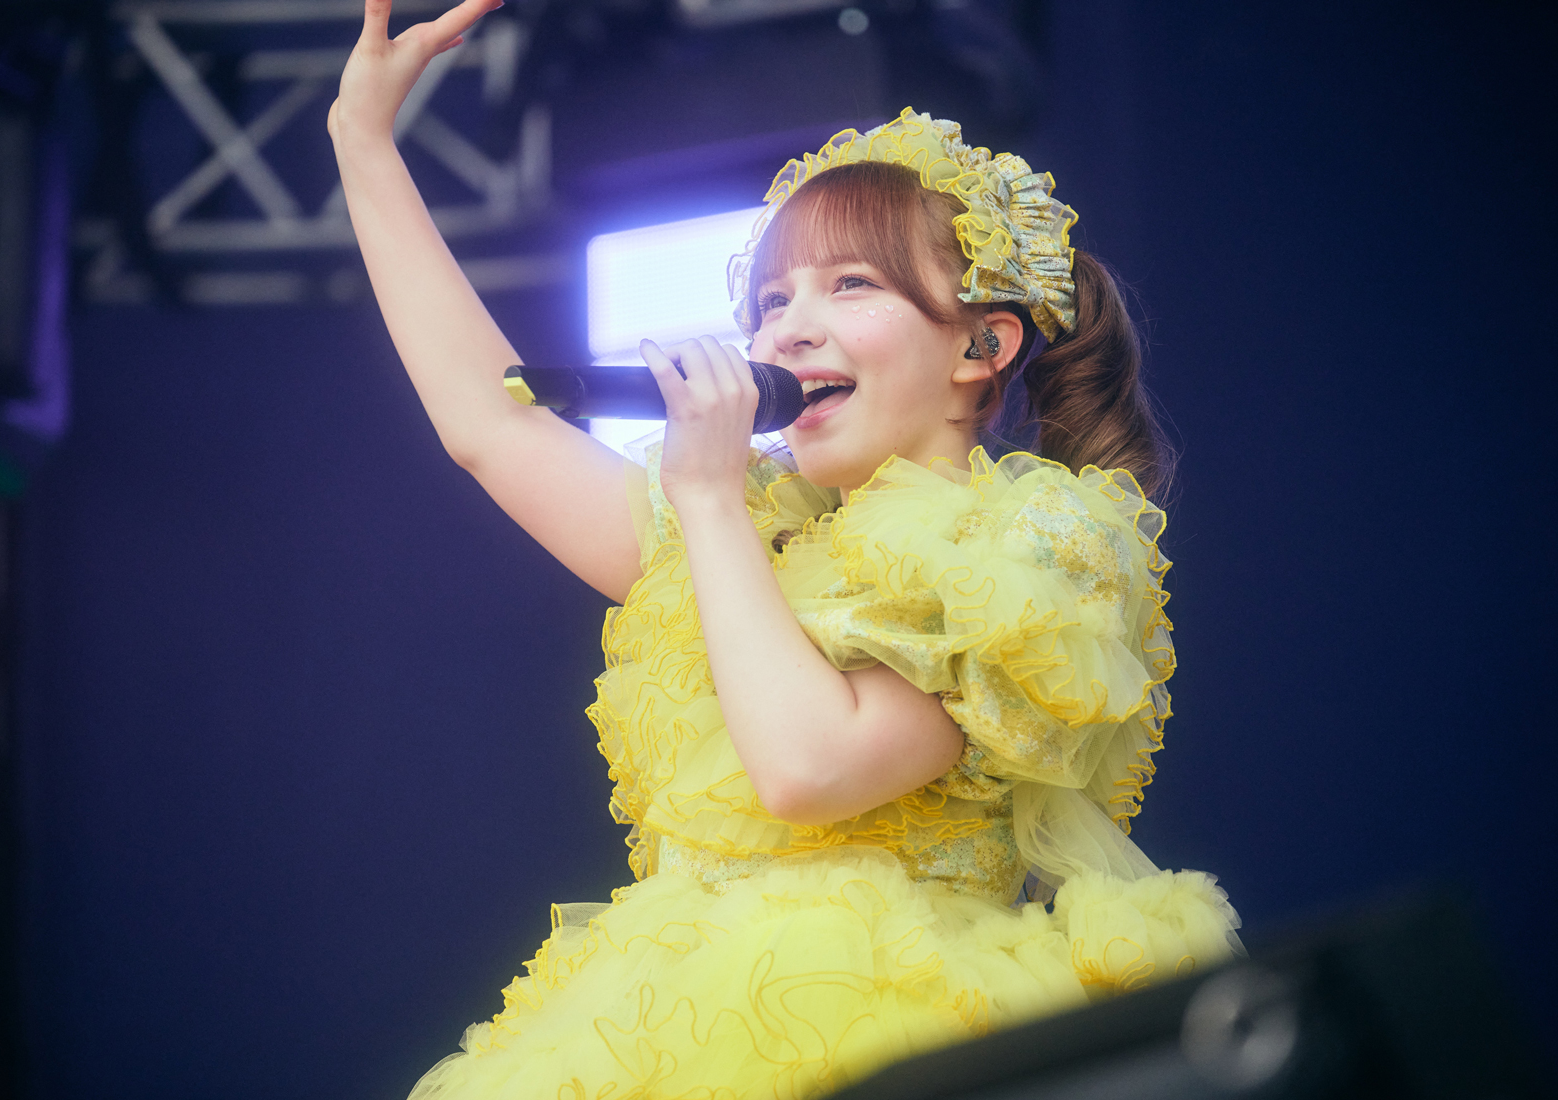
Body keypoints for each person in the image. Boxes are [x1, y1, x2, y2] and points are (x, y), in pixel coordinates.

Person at [330, 2, 1243, 1095]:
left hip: (899, 1024)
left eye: (850, 284)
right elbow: (493, 422)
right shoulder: (751, 526)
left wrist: (708, 499)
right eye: (771, 300)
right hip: (665, 1023)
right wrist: (364, 144)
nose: (785, 329)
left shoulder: (1026, 543)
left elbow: (810, 766)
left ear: (981, 343)